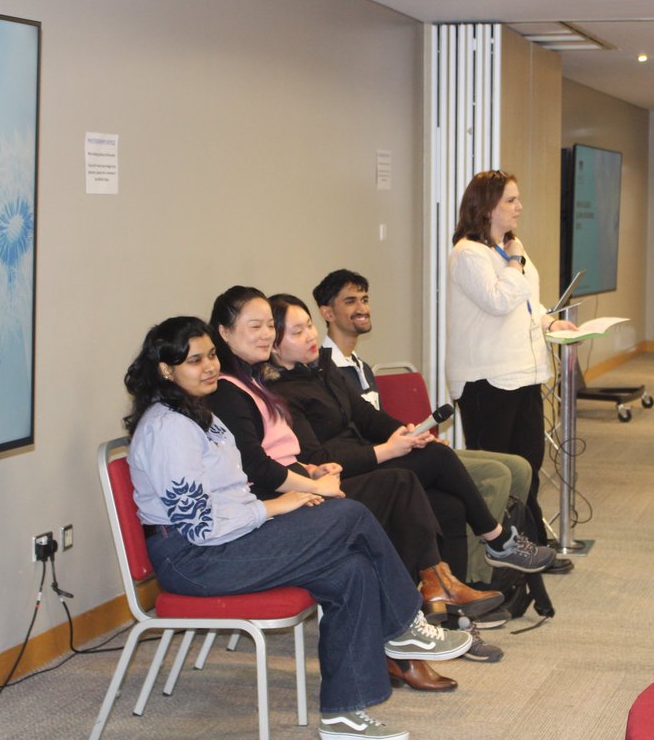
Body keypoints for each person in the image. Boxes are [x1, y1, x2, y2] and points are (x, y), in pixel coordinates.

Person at [123, 316, 471, 739]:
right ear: (166, 369)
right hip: (194, 559)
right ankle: (403, 627)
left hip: (228, 541)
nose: (210, 366)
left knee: (351, 570)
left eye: (212, 355)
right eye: (195, 360)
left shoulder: (200, 415)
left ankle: (344, 715)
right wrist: (274, 509)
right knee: (351, 515)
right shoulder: (169, 429)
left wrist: (279, 505)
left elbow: (230, 496)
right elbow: (200, 526)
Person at [206, 285, 502, 678]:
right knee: (396, 487)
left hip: (300, 484)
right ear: (225, 333)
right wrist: (311, 483)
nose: (265, 335)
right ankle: (423, 606)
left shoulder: (256, 380)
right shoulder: (231, 390)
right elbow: (255, 470)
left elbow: (288, 453)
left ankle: (423, 613)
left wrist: (311, 473)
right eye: (256, 327)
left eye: (268, 327)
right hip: (277, 506)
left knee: (429, 499)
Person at [263, 293, 557, 584]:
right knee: (439, 456)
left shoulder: (323, 369)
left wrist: (406, 432)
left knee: (450, 507)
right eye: (297, 332)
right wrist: (387, 450)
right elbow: (319, 459)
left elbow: (365, 415)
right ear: (274, 346)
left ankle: (455, 613)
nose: (310, 335)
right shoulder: (282, 394)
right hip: (341, 476)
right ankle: (498, 539)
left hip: (367, 457)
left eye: (309, 326)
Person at [446, 170, 576, 545]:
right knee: (499, 470)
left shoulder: (511, 247)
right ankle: (503, 549)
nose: (519, 207)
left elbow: (525, 304)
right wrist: (514, 264)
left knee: (528, 466)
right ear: (486, 208)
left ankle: (530, 542)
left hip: (524, 373)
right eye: (511, 200)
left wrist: (551, 321)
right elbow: (499, 301)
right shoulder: (469, 253)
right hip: (488, 379)